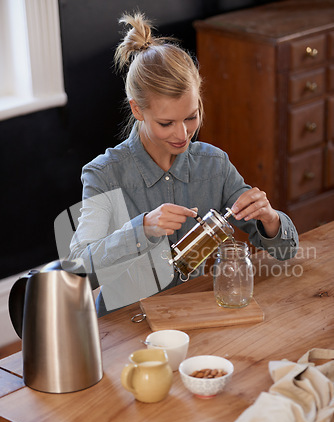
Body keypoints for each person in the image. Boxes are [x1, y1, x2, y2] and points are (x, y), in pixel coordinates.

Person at [67, 11, 298, 317]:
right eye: (166, 123)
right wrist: (143, 228)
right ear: (137, 110)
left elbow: (286, 251)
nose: (183, 134)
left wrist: (269, 220)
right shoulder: (104, 174)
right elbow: (79, 268)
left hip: (198, 313)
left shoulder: (214, 165)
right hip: (126, 324)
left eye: (191, 117)